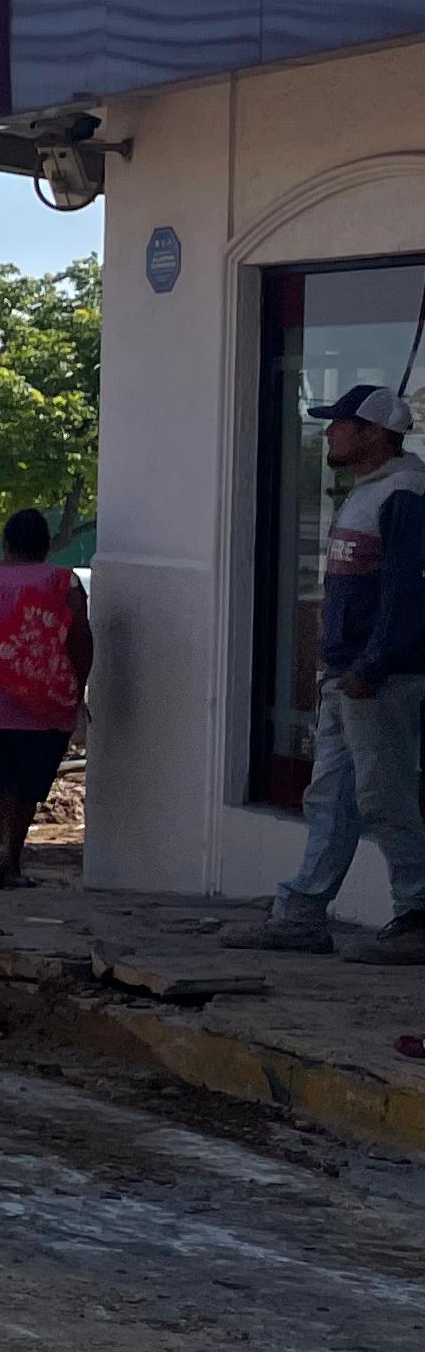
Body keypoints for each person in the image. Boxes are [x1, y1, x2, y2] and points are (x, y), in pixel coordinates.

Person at [229, 386, 425, 959]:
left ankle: (417, 915)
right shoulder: (372, 491)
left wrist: (373, 665)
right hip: (348, 678)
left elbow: (407, 595)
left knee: (385, 797)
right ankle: (302, 915)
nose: (330, 432)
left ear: (374, 432)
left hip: (378, 681)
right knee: (332, 797)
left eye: (341, 423)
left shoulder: (405, 493)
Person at [0, 506, 92, 891]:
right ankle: (10, 857)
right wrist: (75, 691)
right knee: (26, 782)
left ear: (6, 543)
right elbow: (80, 643)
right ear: (46, 546)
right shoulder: (65, 583)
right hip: (38, 700)